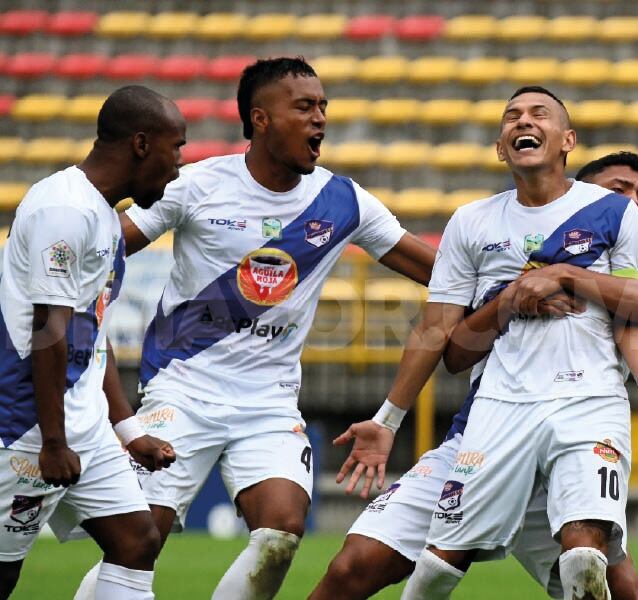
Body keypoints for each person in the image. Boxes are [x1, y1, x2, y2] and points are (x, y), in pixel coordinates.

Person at [74, 57, 436, 600]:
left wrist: (520, 286)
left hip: (269, 402)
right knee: (137, 539)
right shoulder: (198, 184)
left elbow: (441, 274)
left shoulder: (343, 201)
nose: (319, 118)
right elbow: (104, 249)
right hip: (182, 390)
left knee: (280, 533)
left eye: (323, 107)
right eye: (304, 107)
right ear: (261, 119)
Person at [310, 150, 638, 600]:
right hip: (484, 439)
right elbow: (453, 350)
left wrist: (567, 277)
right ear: (579, 195)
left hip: (569, 446)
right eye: (619, 190)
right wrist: (509, 301)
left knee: (613, 583)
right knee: (353, 567)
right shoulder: (501, 248)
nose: (633, 202)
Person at [0, 85, 182, 600]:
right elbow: (49, 331)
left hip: (84, 424)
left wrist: (127, 429)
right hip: (27, 427)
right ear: (141, 144)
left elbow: (93, 333)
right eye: (176, 149)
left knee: (137, 542)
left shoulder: (102, 213)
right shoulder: (64, 210)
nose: (177, 168)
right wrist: (53, 443)